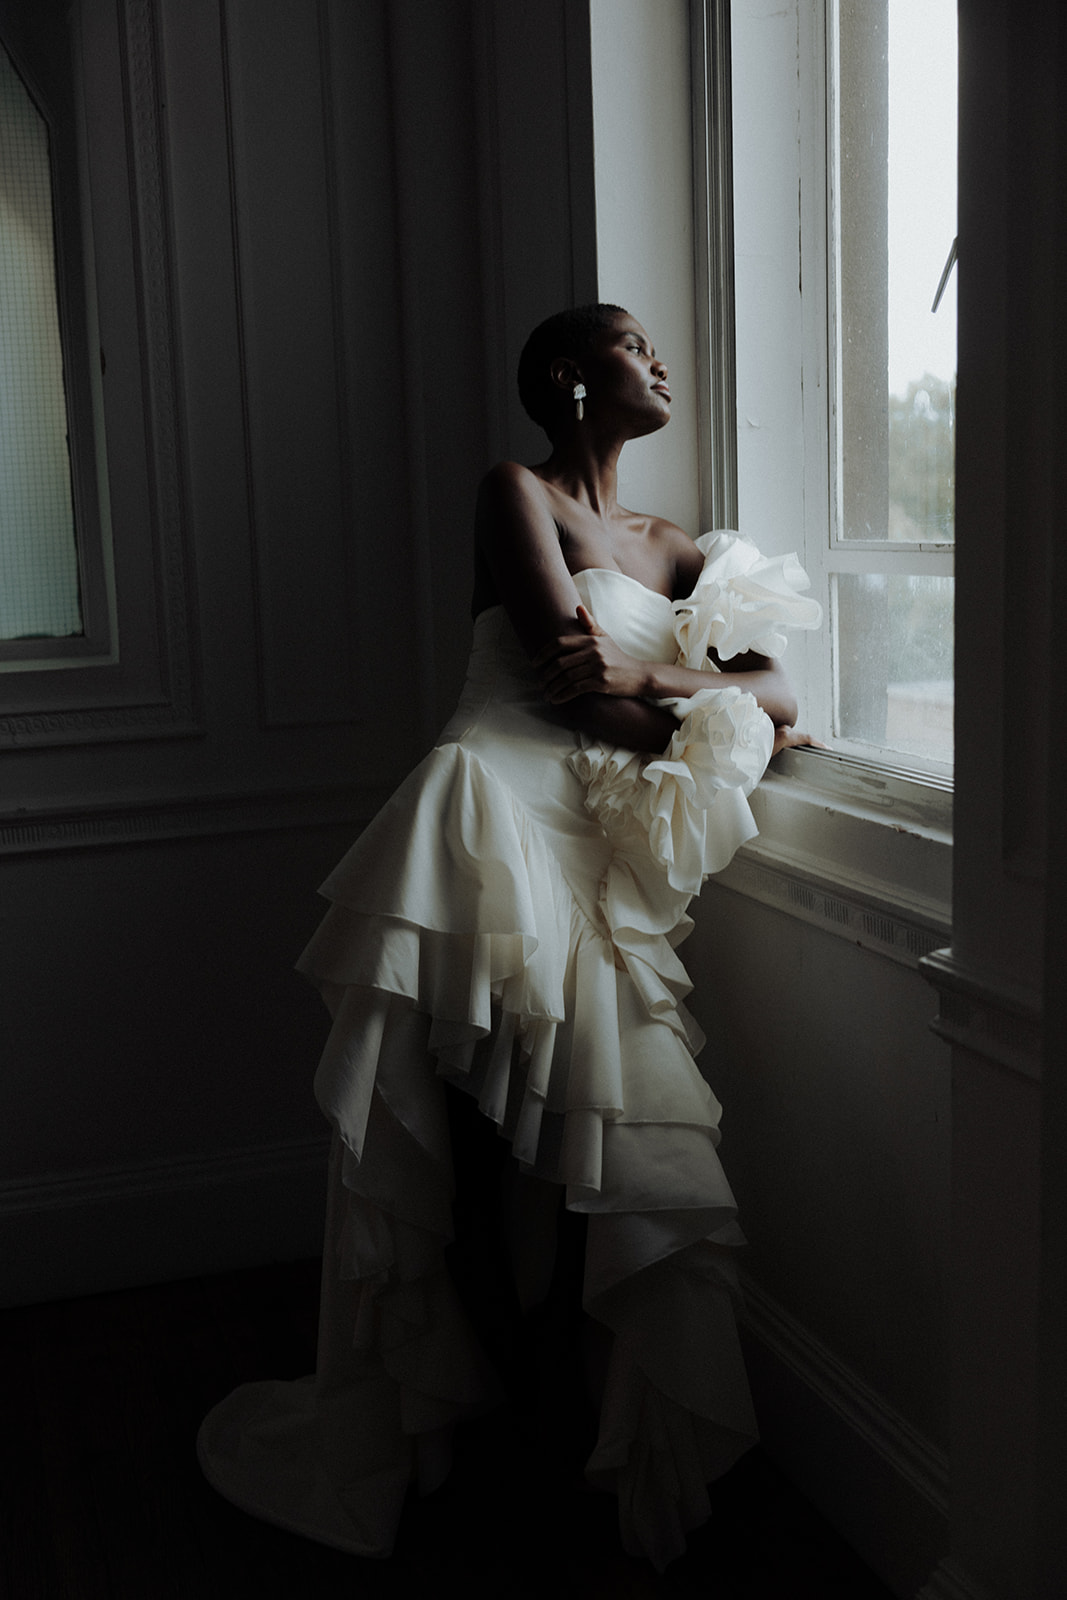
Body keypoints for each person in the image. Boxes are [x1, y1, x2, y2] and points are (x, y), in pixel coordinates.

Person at [197, 304, 822, 1572]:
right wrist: (698, 717)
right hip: (488, 818)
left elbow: (774, 693)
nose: (655, 361)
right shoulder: (514, 491)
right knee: (477, 1148)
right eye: (627, 343)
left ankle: (561, 1423)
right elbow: (561, 678)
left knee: (601, 1141)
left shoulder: (682, 547)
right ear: (563, 376)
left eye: (656, 347)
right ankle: (489, 1431)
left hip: (595, 846)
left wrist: (660, 684)